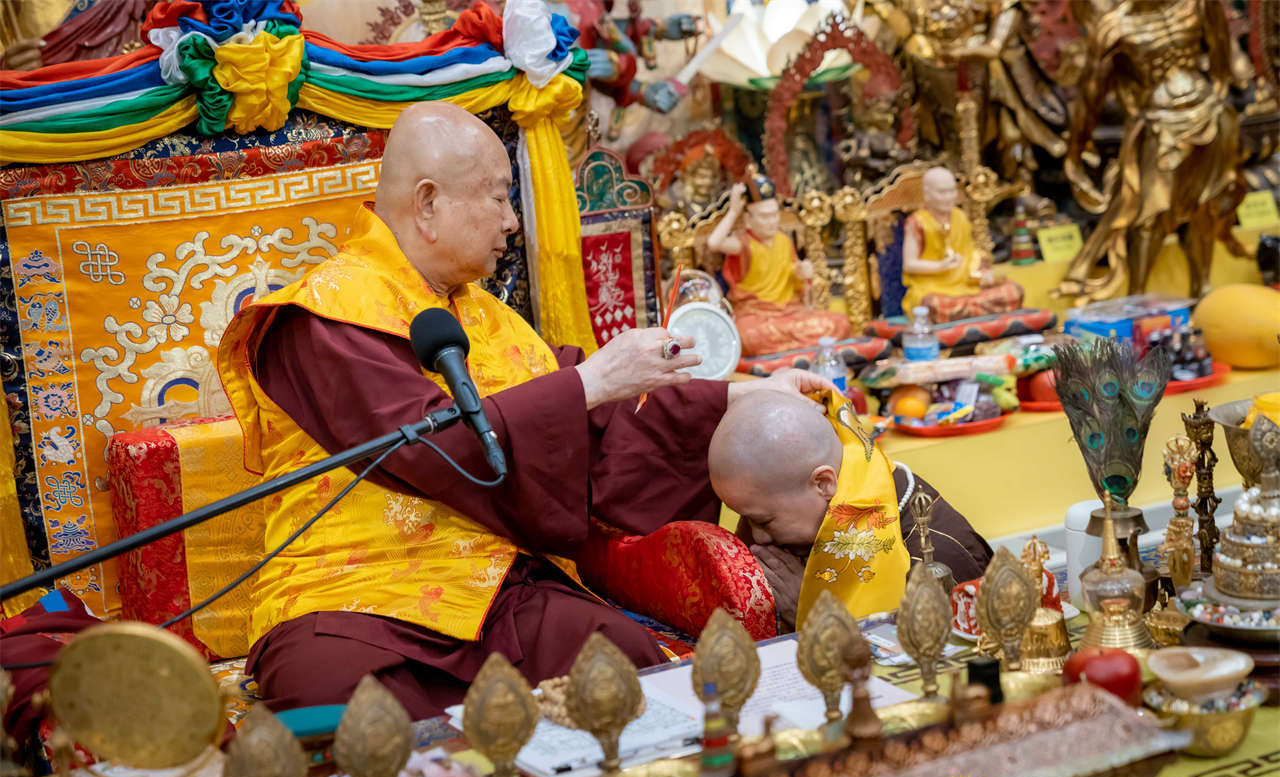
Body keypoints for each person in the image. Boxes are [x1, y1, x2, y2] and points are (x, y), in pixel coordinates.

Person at [215, 102, 833, 720]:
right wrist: (590, 381)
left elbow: (599, 420)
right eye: (498, 198)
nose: (512, 220)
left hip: (495, 586)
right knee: (338, 707)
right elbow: (430, 450)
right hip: (351, 596)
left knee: (623, 664)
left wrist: (748, 394)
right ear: (428, 203)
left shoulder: (486, 319)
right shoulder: (323, 315)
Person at [708, 390, 991, 631]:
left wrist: (811, 614)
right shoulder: (802, 506)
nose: (757, 538)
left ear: (823, 483)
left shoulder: (935, 559)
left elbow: (939, 668)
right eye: (745, 517)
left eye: (764, 521)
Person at [707, 167, 853, 356]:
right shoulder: (744, 244)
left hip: (790, 313)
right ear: (748, 219)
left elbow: (796, 284)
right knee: (745, 336)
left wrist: (801, 273)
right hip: (756, 316)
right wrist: (734, 211)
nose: (771, 222)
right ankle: (803, 348)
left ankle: (788, 349)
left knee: (840, 322)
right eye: (764, 216)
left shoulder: (784, 241)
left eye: (774, 215)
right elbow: (713, 243)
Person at [901, 166, 1024, 323]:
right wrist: (941, 266)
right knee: (933, 305)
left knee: (1013, 291)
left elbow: (970, 254)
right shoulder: (917, 223)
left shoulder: (959, 217)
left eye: (952, 191)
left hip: (966, 284)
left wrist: (981, 273)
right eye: (942, 192)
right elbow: (909, 265)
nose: (948, 197)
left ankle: (967, 311)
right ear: (927, 194)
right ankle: (972, 312)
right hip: (933, 287)